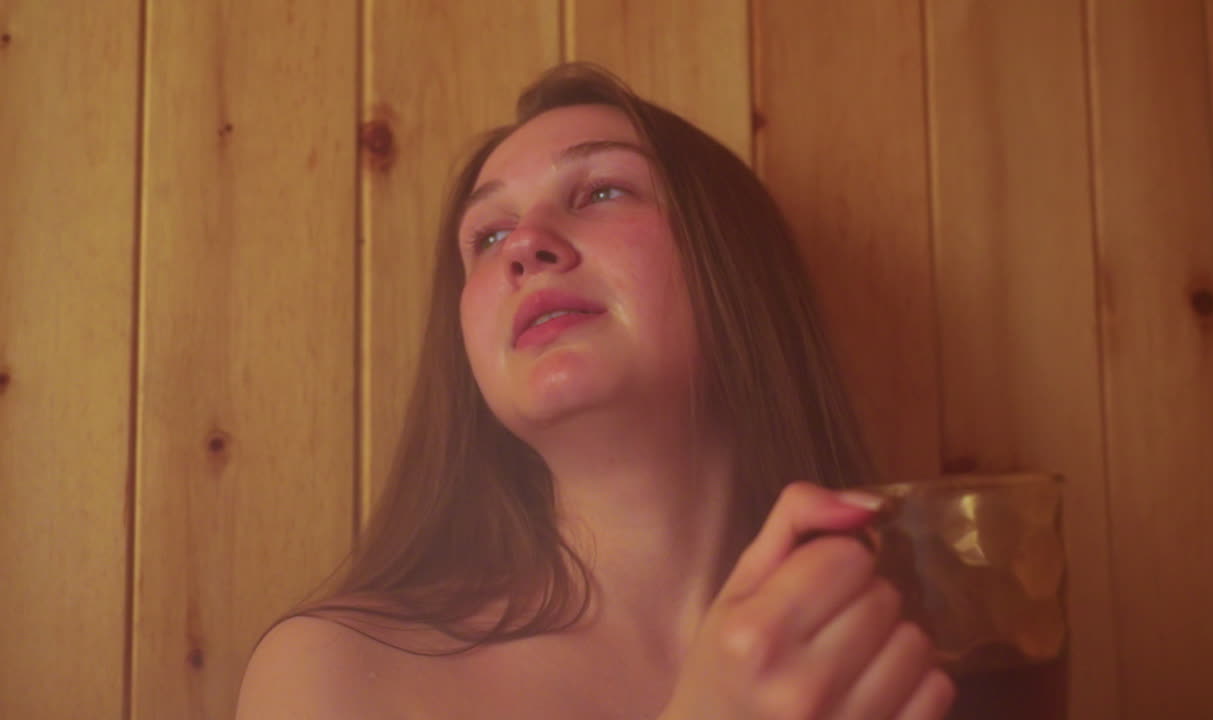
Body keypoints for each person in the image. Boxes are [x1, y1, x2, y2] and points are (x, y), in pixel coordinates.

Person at [236, 63, 955, 720]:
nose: (525, 245)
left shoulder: (916, 654)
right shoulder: (335, 672)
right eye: (487, 237)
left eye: (603, 192)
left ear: (738, 268)